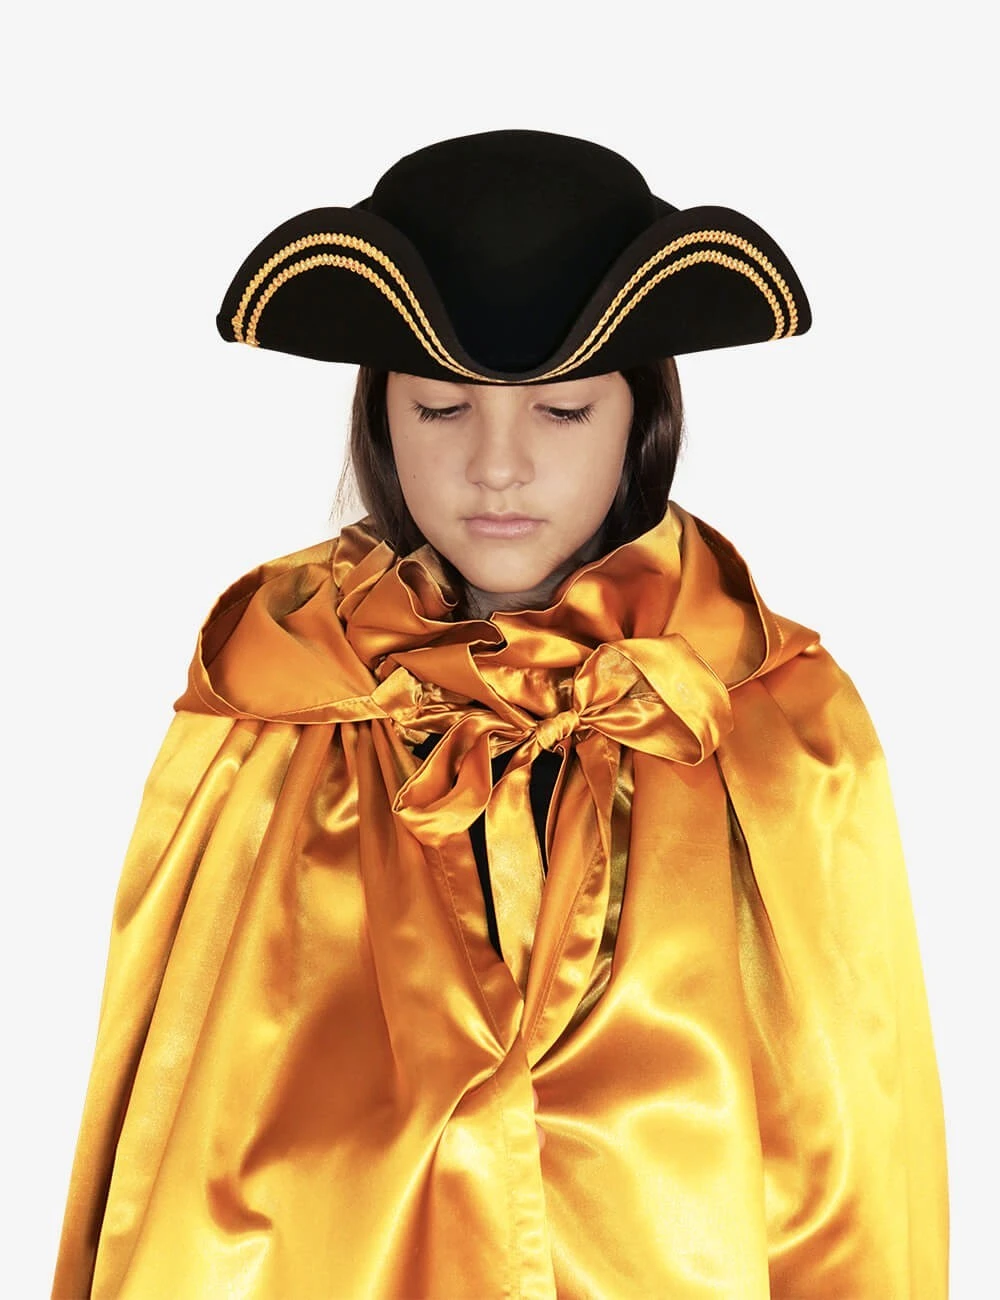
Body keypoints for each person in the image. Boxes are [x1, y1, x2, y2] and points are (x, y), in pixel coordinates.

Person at [51, 128, 949, 1299]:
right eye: (441, 409)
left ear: (642, 417)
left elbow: (859, 1159)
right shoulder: (275, 703)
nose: (498, 466)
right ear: (381, 415)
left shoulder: (779, 725)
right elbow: (175, 1163)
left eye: (561, 411)